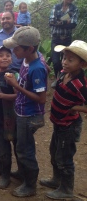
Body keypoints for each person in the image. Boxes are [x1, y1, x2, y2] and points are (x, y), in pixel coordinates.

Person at [39, 40, 87, 200]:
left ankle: (66, 189)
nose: (65, 62)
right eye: (64, 58)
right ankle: (56, 179)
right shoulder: (63, 74)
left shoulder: (80, 85)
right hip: (59, 123)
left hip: (69, 125)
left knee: (65, 157)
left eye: (70, 60)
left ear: (82, 64)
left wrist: (74, 108)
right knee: (54, 152)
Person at [3, 26, 48, 197]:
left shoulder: (36, 68)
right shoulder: (29, 59)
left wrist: (16, 86)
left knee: (25, 150)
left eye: (17, 48)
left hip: (30, 115)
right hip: (22, 111)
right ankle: (23, 174)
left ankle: (30, 185)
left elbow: (42, 98)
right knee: (22, 146)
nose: (14, 51)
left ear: (29, 49)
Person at [0, 46, 17, 189]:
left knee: (4, 148)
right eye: (1, 55)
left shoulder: (12, 75)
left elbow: (19, 96)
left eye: (7, 55)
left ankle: (5, 175)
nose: (4, 57)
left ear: (11, 59)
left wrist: (1, 96)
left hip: (7, 118)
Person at [49, 0, 78, 87]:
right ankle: (58, 78)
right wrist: (66, 20)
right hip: (56, 39)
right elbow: (51, 22)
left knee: (66, 61)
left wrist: (59, 21)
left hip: (67, 39)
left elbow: (73, 24)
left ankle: (63, 79)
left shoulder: (74, 8)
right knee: (56, 62)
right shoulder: (56, 7)